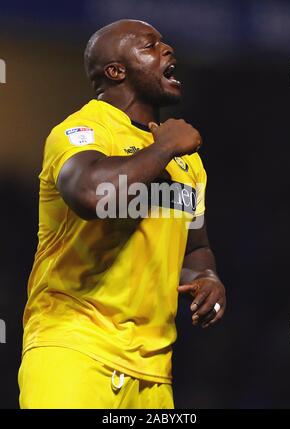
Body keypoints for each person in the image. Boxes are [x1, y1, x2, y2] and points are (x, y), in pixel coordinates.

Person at [18, 19, 226, 409]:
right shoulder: (82, 131)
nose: (168, 50)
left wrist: (207, 278)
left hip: (153, 375)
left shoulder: (188, 163)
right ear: (116, 71)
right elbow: (91, 194)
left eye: (165, 43)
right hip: (74, 350)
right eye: (151, 46)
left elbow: (195, 247)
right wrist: (162, 149)